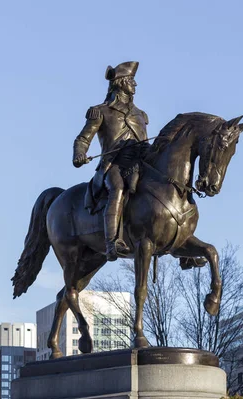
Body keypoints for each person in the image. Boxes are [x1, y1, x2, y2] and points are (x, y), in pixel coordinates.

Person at [72, 61, 149, 261]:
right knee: (118, 188)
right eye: (131, 80)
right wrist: (79, 154)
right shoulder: (101, 111)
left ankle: (179, 240)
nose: (135, 84)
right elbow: (82, 139)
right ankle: (112, 242)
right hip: (113, 164)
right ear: (121, 83)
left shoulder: (141, 115)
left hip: (139, 163)